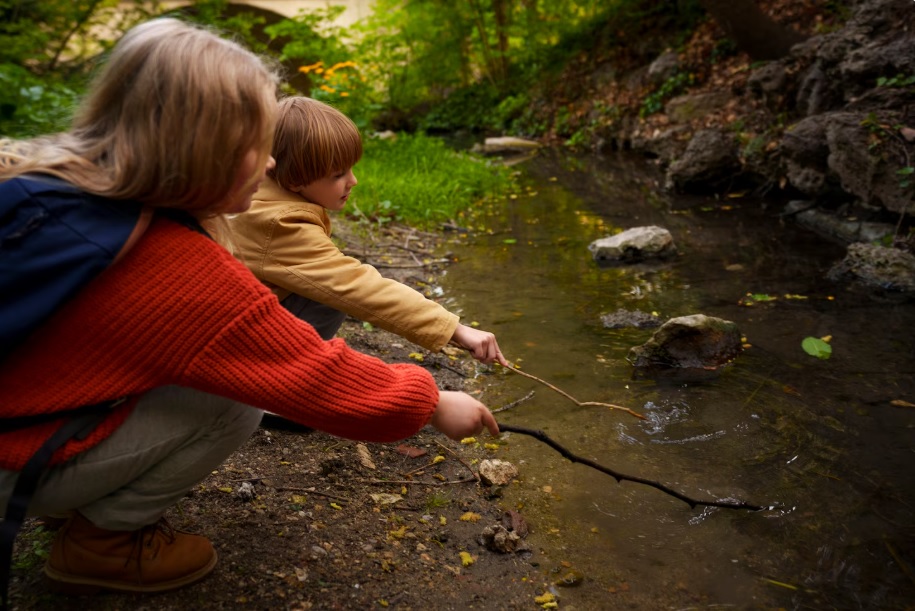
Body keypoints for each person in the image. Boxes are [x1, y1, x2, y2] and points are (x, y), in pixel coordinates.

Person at [0, 18, 497, 597]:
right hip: (11, 461)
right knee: (232, 403)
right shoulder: (176, 266)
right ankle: (100, 545)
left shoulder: (40, 183)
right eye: (258, 147)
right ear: (206, 152)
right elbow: (312, 374)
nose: (269, 169)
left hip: (25, 411)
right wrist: (432, 402)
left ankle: (78, 491)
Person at [228, 96, 510, 368]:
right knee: (326, 297)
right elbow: (357, 287)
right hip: (233, 348)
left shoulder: (260, 193)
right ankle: (288, 378)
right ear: (294, 179)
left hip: (234, 324)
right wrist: (453, 329)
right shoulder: (279, 223)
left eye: (350, 169)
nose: (353, 181)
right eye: (337, 175)